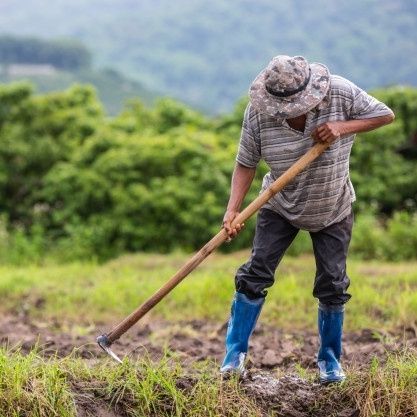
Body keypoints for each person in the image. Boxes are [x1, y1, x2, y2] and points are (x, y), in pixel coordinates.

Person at [220, 55, 395, 384]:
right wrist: (233, 210)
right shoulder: (259, 111)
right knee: (255, 273)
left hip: (333, 205)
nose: (287, 113)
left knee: (332, 283)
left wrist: (342, 127)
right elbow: (246, 162)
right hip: (279, 202)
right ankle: (234, 357)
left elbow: (384, 114)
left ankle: (330, 362)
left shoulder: (340, 93)